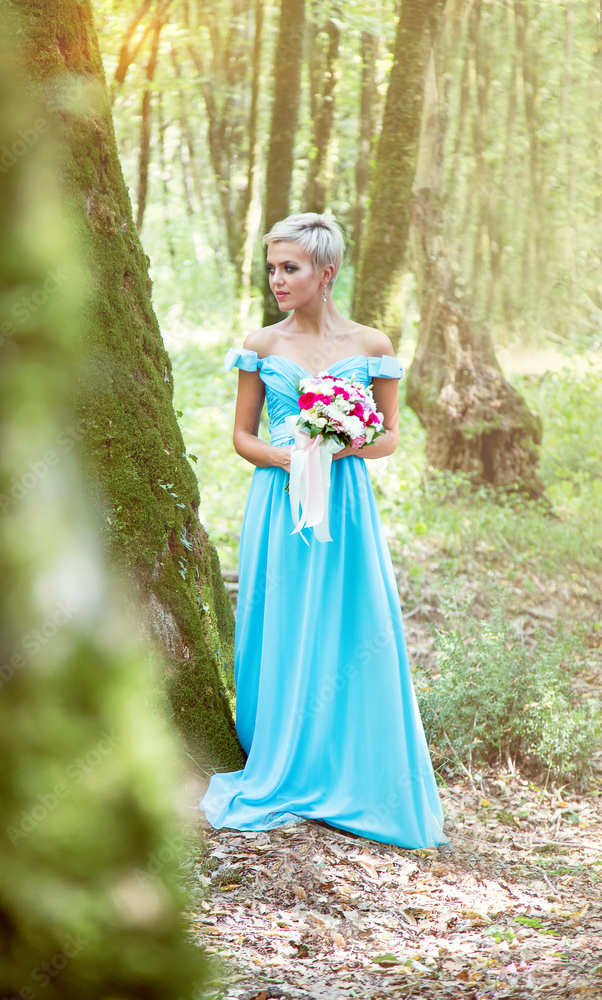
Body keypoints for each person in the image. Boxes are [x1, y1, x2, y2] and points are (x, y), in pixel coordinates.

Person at [199, 212, 447, 849]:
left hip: (345, 504)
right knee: (282, 620)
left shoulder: (372, 346)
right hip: (279, 505)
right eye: (273, 268)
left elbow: (390, 438)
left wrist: (339, 444)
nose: (277, 279)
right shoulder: (262, 344)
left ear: (326, 272)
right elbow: (241, 438)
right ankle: (284, 756)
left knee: (350, 620)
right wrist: (290, 456)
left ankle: (352, 763)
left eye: (291, 268)